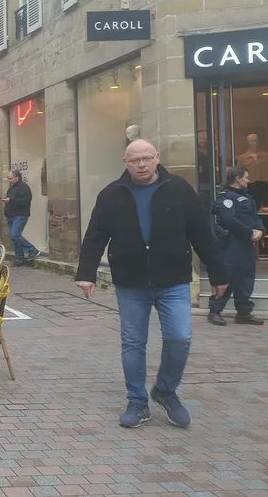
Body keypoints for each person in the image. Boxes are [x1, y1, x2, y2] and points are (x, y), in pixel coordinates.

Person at [76, 139, 228, 429]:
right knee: (133, 343)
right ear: (125, 162)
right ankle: (137, 401)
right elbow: (95, 236)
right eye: (135, 160)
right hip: (131, 282)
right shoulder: (112, 194)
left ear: (157, 158)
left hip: (173, 280)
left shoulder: (180, 189)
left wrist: (219, 274)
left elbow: (201, 233)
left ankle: (165, 390)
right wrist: (86, 273)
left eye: (147, 158)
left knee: (180, 338)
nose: (142, 164)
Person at [210, 166, 265, 327]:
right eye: (246, 177)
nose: (248, 180)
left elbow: (255, 217)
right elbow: (230, 221)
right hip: (231, 244)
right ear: (238, 178)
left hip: (246, 244)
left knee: (246, 278)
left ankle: (244, 312)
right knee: (229, 276)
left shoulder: (247, 197)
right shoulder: (226, 199)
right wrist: (250, 233)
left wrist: (260, 230)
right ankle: (215, 310)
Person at [2, 170, 39, 266]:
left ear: (16, 177)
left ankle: (32, 250)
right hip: (11, 215)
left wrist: (11, 200)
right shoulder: (11, 189)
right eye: (8, 178)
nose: (9, 180)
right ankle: (19, 258)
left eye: (10, 178)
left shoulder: (24, 187)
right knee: (14, 238)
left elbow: (26, 201)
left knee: (15, 235)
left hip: (20, 214)